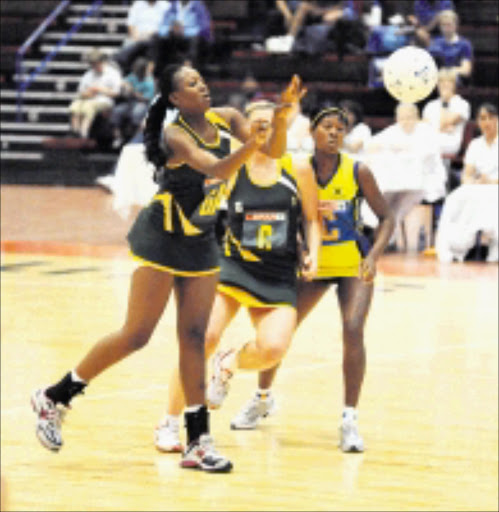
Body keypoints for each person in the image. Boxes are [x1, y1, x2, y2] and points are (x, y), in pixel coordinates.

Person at [31, 63, 306, 473]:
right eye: (193, 84)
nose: (204, 87)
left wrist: (280, 122)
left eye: (203, 79)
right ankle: (54, 397)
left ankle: (197, 442)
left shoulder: (228, 118)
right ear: (177, 98)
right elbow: (215, 168)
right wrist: (252, 145)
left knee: (195, 338)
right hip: (163, 236)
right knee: (136, 335)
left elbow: (275, 153)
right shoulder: (175, 135)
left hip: (200, 240)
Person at [163, 106, 394, 452]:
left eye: (339, 128)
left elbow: (324, 220)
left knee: (347, 329)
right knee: (251, 337)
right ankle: (256, 398)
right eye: (326, 127)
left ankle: (349, 418)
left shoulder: (349, 170)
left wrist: (371, 257)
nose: (333, 133)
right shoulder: (268, 163)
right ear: (311, 132)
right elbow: (295, 219)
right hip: (279, 265)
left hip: (343, 263)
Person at [154, 99, 321, 452]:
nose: (263, 129)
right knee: (202, 336)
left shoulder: (299, 168)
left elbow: (312, 217)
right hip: (231, 267)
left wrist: (314, 254)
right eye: (255, 123)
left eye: (270, 122)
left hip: (277, 274)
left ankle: (229, 363)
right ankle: (169, 423)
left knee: (272, 349)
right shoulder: (230, 168)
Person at [363, 102, 446, 250]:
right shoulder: (393, 131)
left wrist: (404, 150)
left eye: (409, 117)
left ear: (417, 117)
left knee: (404, 197)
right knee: (385, 195)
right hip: (396, 180)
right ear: (397, 118)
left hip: (425, 180)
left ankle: (388, 234)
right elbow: (371, 145)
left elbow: (428, 155)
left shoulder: (426, 131)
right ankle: (375, 229)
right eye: (402, 118)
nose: (406, 121)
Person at [436, 103, 498, 263]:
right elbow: (467, 174)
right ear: (478, 122)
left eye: (491, 118)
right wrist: (473, 181)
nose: (487, 122)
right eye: (483, 118)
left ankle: (488, 244)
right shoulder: (475, 144)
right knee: (454, 198)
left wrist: (491, 181)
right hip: (479, 187)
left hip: (496, 187)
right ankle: (460, 246)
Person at [69, 48, 122, 138]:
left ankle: (84, 132)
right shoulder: (88, 74)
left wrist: (100, 90)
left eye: (96, 63)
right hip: (89, 98)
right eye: (93, 64)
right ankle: (75, 131)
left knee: (89, 106)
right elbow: (81, 91)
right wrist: (88, 93)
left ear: (102, 62)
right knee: (75, 105)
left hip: (105, 100)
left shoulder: (113, 73)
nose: (95, 66)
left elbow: (117, 92)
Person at [150, 0, 212, 77]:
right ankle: (153, 70)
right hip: (173, 36)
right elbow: (162, 26)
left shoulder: (198, 6)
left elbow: (204, 28)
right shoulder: (173, 7)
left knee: (194, 40)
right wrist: (170, 29)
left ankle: (189, 71)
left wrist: (184, 31)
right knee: (156, 38)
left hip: (190, 36)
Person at [422, 68, 471, 159]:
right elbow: (424, 129)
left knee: (423, 146)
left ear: (454, 85)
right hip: (430, 140)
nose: (444, 85)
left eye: (448, 82)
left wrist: (445, 102)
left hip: (450, 142)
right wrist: (440, 128)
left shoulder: (462, 104)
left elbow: (444, 123)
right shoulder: (430, 105)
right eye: (441, 82)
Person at [110, 56, 156, 147]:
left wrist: (134, 92)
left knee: (137, 112)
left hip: (143, 103)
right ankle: (118, 137)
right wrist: (125, 85)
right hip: (130, 103)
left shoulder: (149, 81)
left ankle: (133, 136)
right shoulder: (133, 76)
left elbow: (147, 98)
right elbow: (124, 81)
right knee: (117, 111)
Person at [427, 10, 473, 83]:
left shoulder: (464, 44)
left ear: (456, 25)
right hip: (436, 79)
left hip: (454, 80)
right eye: (443, 25)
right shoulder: (435, 42)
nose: (446, 28)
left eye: (449, 25)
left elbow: (466, 70)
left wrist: (449, 71)